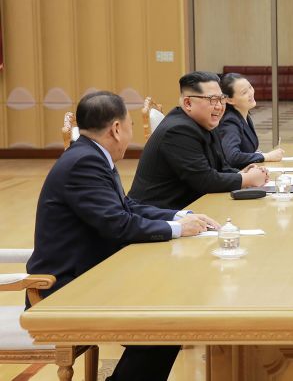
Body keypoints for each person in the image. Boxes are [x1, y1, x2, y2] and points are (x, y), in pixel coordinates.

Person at [26, 91, 220, 381]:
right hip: (65, 287)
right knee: (165, 323)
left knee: (168, 309)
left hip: (93, 274)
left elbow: (126, 206)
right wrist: (178, 230)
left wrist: (180, 216)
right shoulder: (84, 162)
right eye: (130, 125)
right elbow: (118, 224)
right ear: (116, 129)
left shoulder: (90, 154)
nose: (132, 134)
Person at [128, 71, 268, 210]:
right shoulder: (178, 130)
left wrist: (241, 173)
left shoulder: (206, 121)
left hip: (191, 208)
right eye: (212, 100)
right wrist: (247, 179)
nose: (219, 106)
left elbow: (220, 167)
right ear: (188, 103)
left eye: (221, 99)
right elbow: (205, 180)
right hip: (158, 216)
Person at [217, 73, 284, 169]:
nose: (251, 93)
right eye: (244, 92)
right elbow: (232, 157)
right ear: (229, 100)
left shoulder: (244, 115)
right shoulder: (230, 122)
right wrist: (266, 156)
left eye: (250, 87)